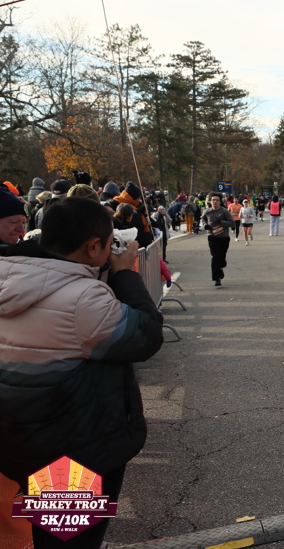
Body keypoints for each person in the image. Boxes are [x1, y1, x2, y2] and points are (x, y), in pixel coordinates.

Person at [0, 197, 164, 549]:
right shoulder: (83, 300)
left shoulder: (9, 276)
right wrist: (124, 273)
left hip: (20, 436)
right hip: (72, 448)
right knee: (71, 539)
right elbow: (146, 335)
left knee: (49, 534)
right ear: (93, 246)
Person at [203, 193, 238, 286]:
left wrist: (222, 222)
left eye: (217, 200)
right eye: (213, 200)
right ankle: (216, 278)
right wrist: (205, 225)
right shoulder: (207, 212)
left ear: (220, 201)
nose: (215, 201)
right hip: (212, 236)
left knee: (221, 257)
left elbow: (232, 223)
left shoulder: (224, 211)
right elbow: (203, 219)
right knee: (215, 256)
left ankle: (221, 267)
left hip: (223, 237)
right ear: (210, 201)